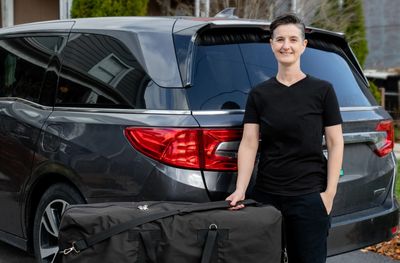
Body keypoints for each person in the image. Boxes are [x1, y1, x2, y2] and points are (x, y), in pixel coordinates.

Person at [226, 13, 344, 263]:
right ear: (271, 44)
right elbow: (249, 144)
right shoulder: (259, 94)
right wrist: (240, 189)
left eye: (293, 39)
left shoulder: (322, 90)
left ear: (304, 45)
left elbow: (335, 143)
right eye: (279, 39)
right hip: (266, 197)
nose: (286, 45)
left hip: (309, 197)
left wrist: (330, 193)